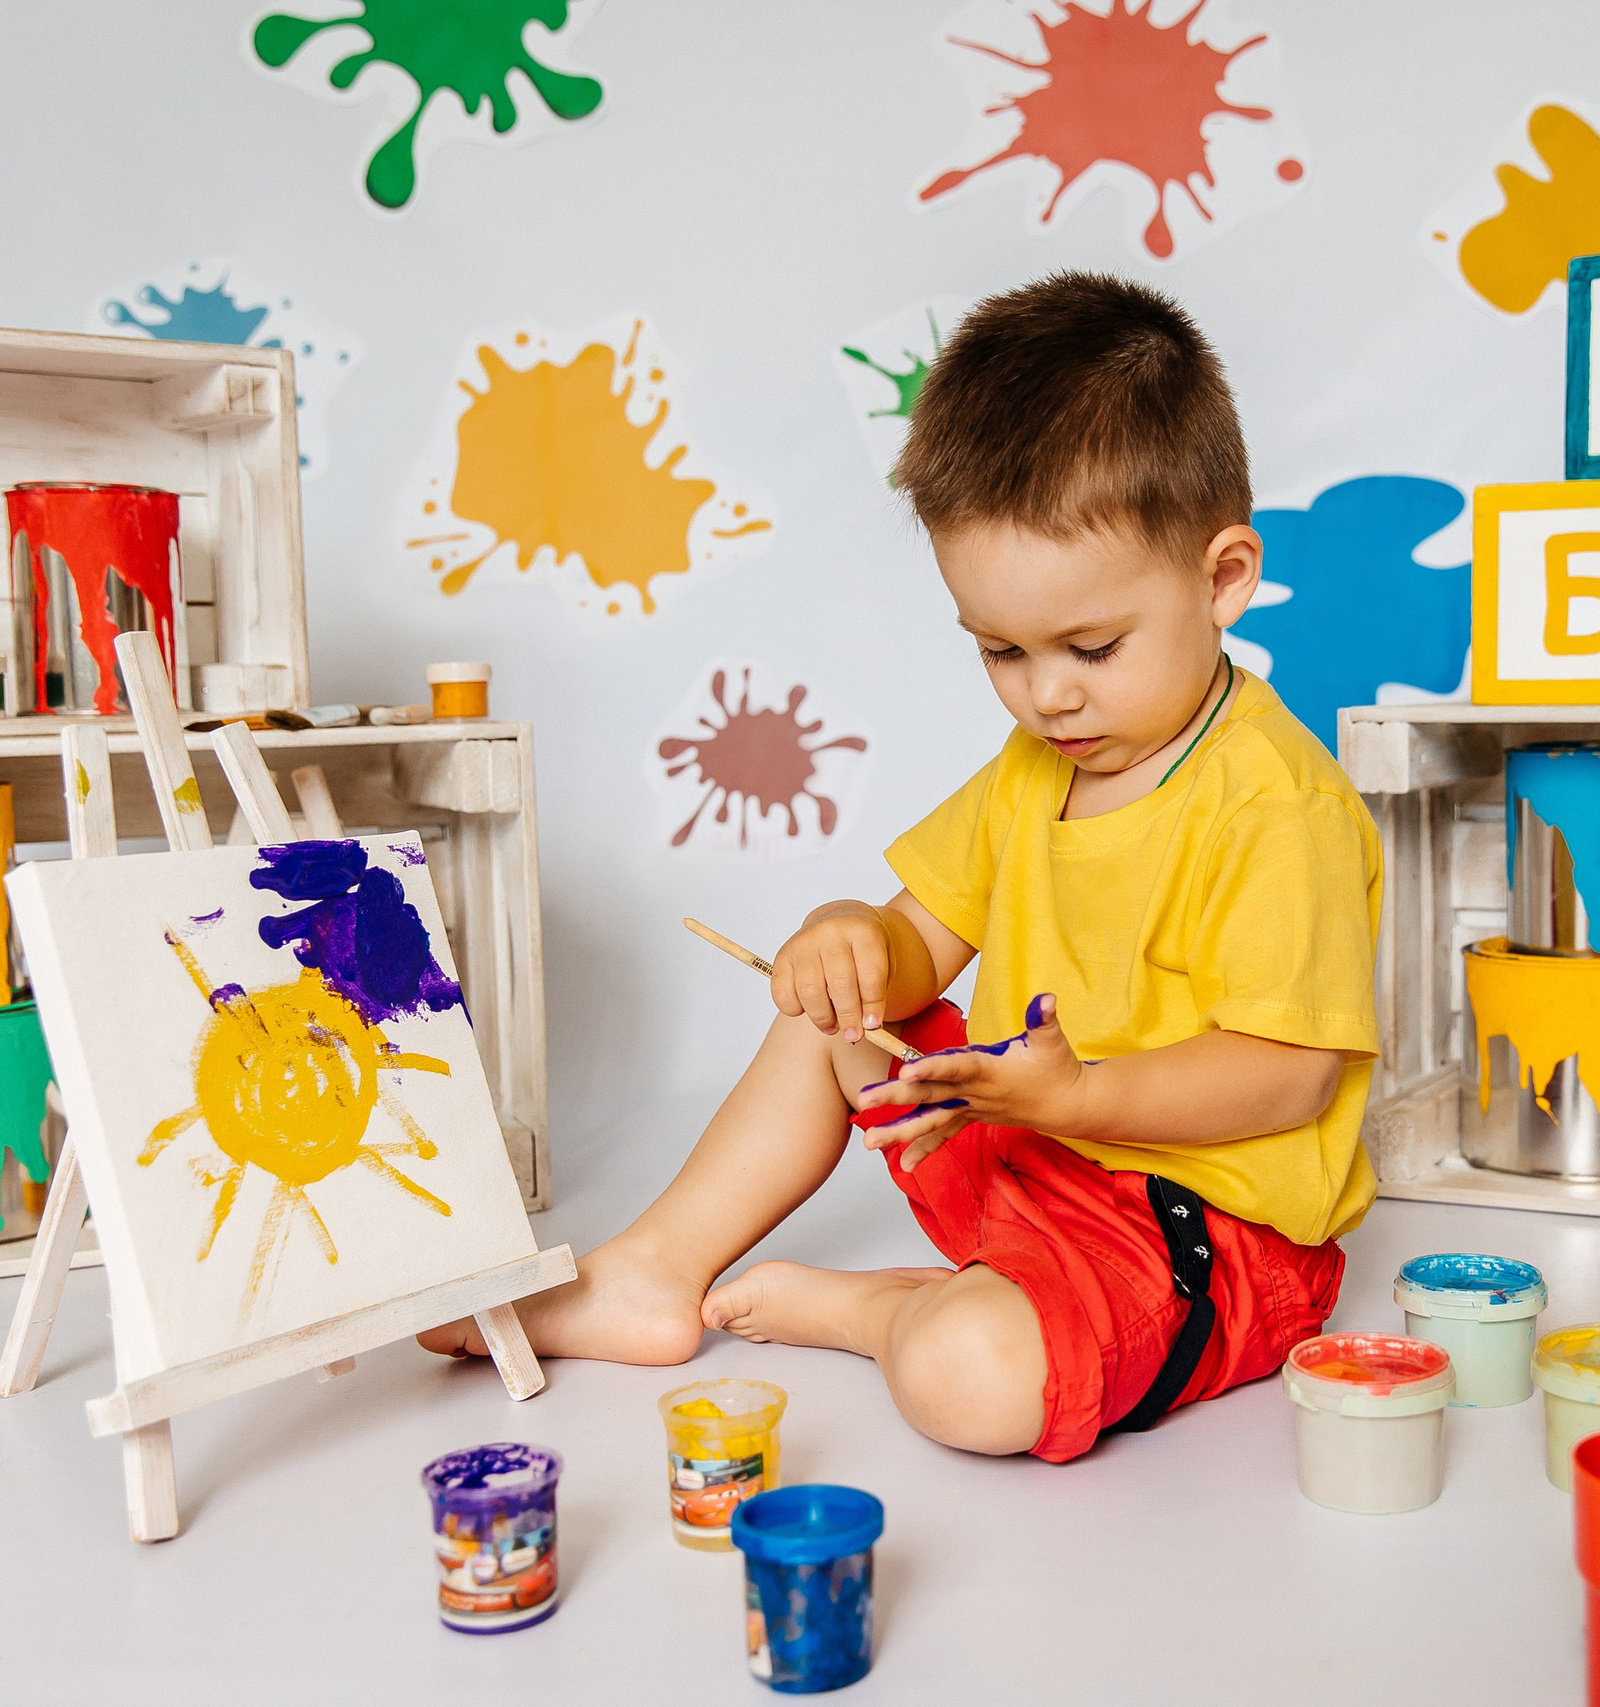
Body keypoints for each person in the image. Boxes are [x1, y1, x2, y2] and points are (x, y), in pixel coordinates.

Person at [423, 272, 1382, 1463]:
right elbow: (917, 945)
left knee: (969, 1380)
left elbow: (1287, 1077)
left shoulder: (1277, 807)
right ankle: (652, 1271)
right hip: (1030, 1148)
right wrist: (851, 935)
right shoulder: (1037, 766)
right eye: (1001, 651)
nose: (1048, 695)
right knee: (830, 1011)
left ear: (1223, 577)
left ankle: (881, 1313)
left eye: (1092, 646)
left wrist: (1079, 1097)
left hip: (1204, 1234)